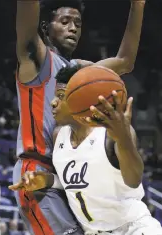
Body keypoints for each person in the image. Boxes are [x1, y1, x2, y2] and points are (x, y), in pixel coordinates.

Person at [13, 0, 145, 233]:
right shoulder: (37, 61)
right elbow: (26, 23)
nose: (73, 28)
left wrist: (138, 5)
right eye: (64, 22)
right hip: (38, 170)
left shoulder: (78, 74)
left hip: (67, 172)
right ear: (45, 28)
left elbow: (125, 62)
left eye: (77, 23)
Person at [10, 65, 162, 234]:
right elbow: (81, 183)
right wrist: (47, 180)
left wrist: (124, 140)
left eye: (61, 96)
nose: (53, 103)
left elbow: (133, 179)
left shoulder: (112, 134)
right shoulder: (58, 136)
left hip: (132, 228)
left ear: (81, 99)